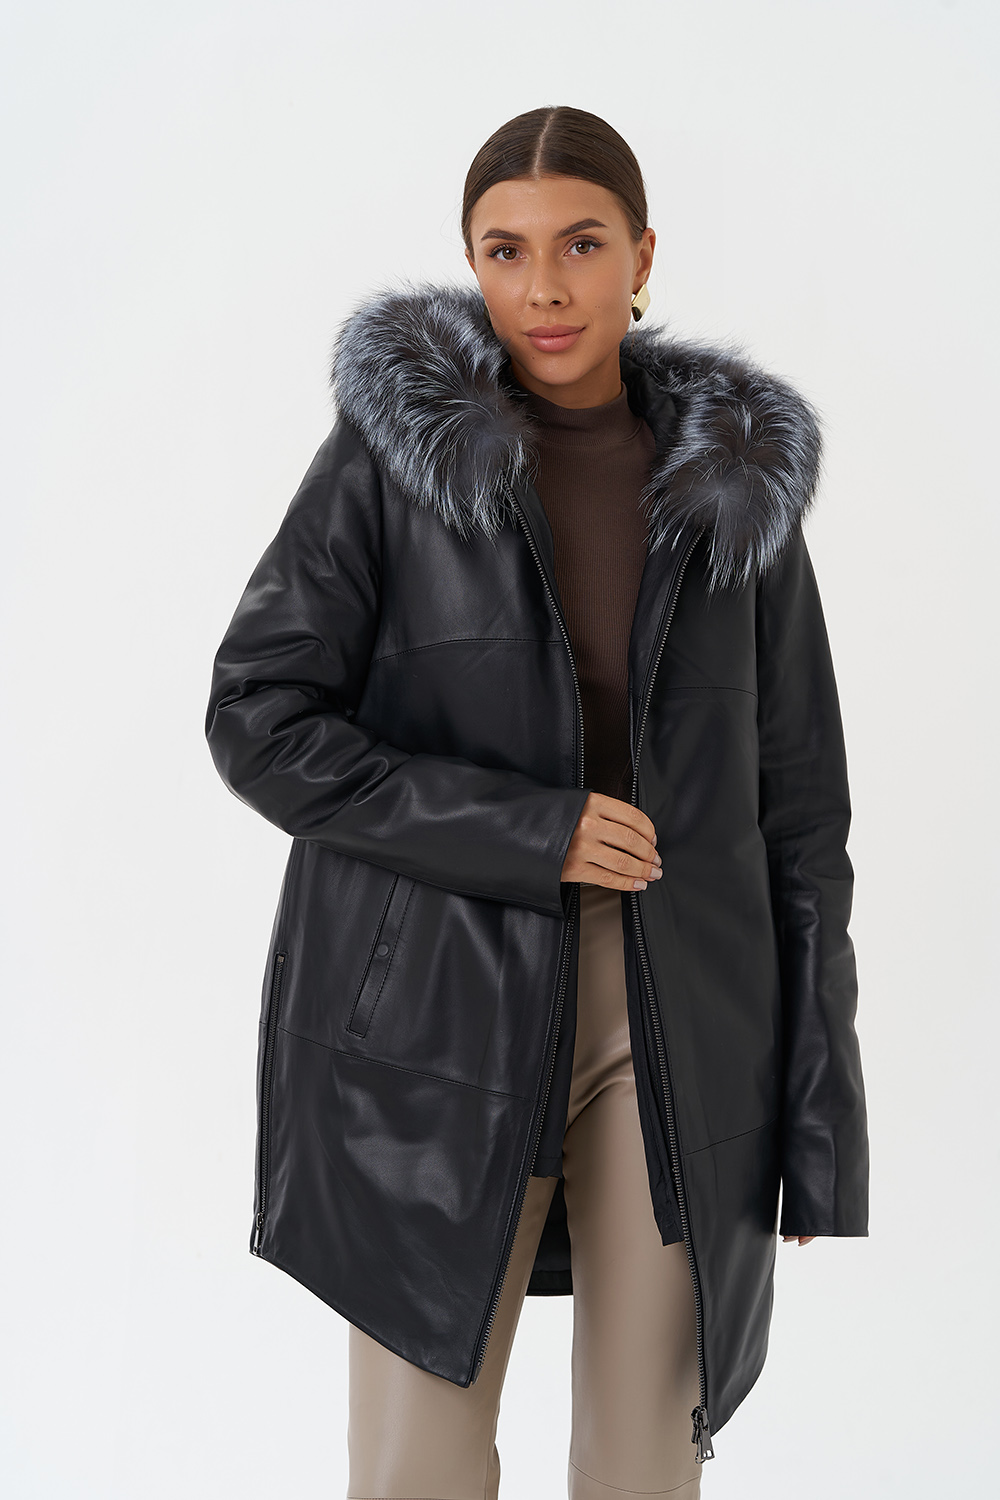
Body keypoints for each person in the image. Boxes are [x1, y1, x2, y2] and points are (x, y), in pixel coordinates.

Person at [204, 105, 870, 1499]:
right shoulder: (393, 462)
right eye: (505, 251)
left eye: (582, 244)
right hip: (435, 1013)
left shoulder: (736, 494)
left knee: (646, 1462)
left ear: (642, 257)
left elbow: (804, 815)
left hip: (679, 1019)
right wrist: (529, 831)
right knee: (419, 1467)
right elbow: (258, 717)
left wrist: (819, 1122)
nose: (546, 288)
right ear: (470, 263)